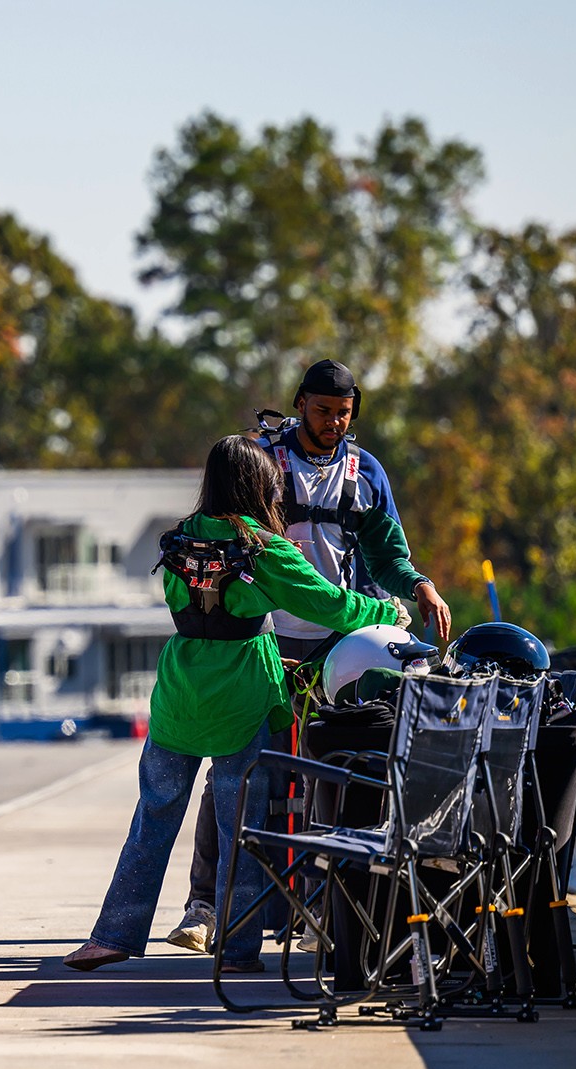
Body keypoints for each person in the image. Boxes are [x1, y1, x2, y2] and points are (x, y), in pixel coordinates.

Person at [64, 435, 399, 974]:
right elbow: (330, 606)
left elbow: (199, 614)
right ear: (257, 485)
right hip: (242, 698)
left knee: (152, 818)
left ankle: (111, 936)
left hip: (179, 693)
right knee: (239, 826)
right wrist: (386, 611)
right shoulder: (263, 549)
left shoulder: (178, 539)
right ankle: (237, 948)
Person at [167, 358, 452, 954]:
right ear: (300, 403)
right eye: (323, 411)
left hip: (338, 648)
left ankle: (325, 907)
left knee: (335, 772)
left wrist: (418, 584)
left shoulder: (366, 473)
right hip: (261, 642)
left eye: (344, 413)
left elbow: (387, 557)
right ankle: (205, 907)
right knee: (240, 771)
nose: (333, 422)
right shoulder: (263, 462)